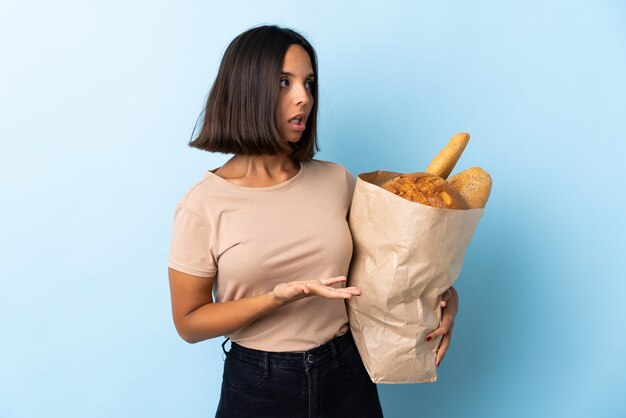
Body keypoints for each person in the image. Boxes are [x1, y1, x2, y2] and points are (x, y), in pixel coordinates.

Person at [167, 24, 459, 418]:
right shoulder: (203, 204)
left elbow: (393, 263)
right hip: (258, 384)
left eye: (309, 83)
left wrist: (444, 298)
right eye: (284, 82)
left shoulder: (336, 180)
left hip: (346, 372)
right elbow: (189, 322)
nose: (303, 98)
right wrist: (278, 297)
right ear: (245, 90)